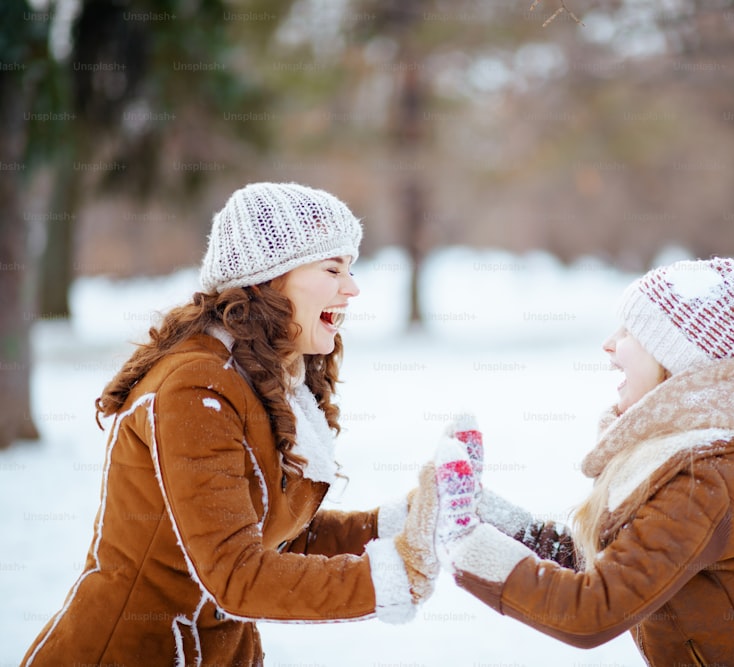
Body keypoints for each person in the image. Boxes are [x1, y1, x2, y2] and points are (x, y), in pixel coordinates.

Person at [22, 182, 439, 667]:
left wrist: (395, 524)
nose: (352, 288)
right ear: (268, 278)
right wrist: (389, 578)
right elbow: (236, 573)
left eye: (352, 268)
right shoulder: (196, 389)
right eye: (332, 269)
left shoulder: (257, 379)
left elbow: (271, 534)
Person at [431, 252, 734, 666]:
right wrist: (484, 514)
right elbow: (610, 563)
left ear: (678, 360)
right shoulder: (678, 454)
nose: (608, 343)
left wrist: (468, 547)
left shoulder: (700, 480)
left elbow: (593, 609)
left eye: (630, 331)